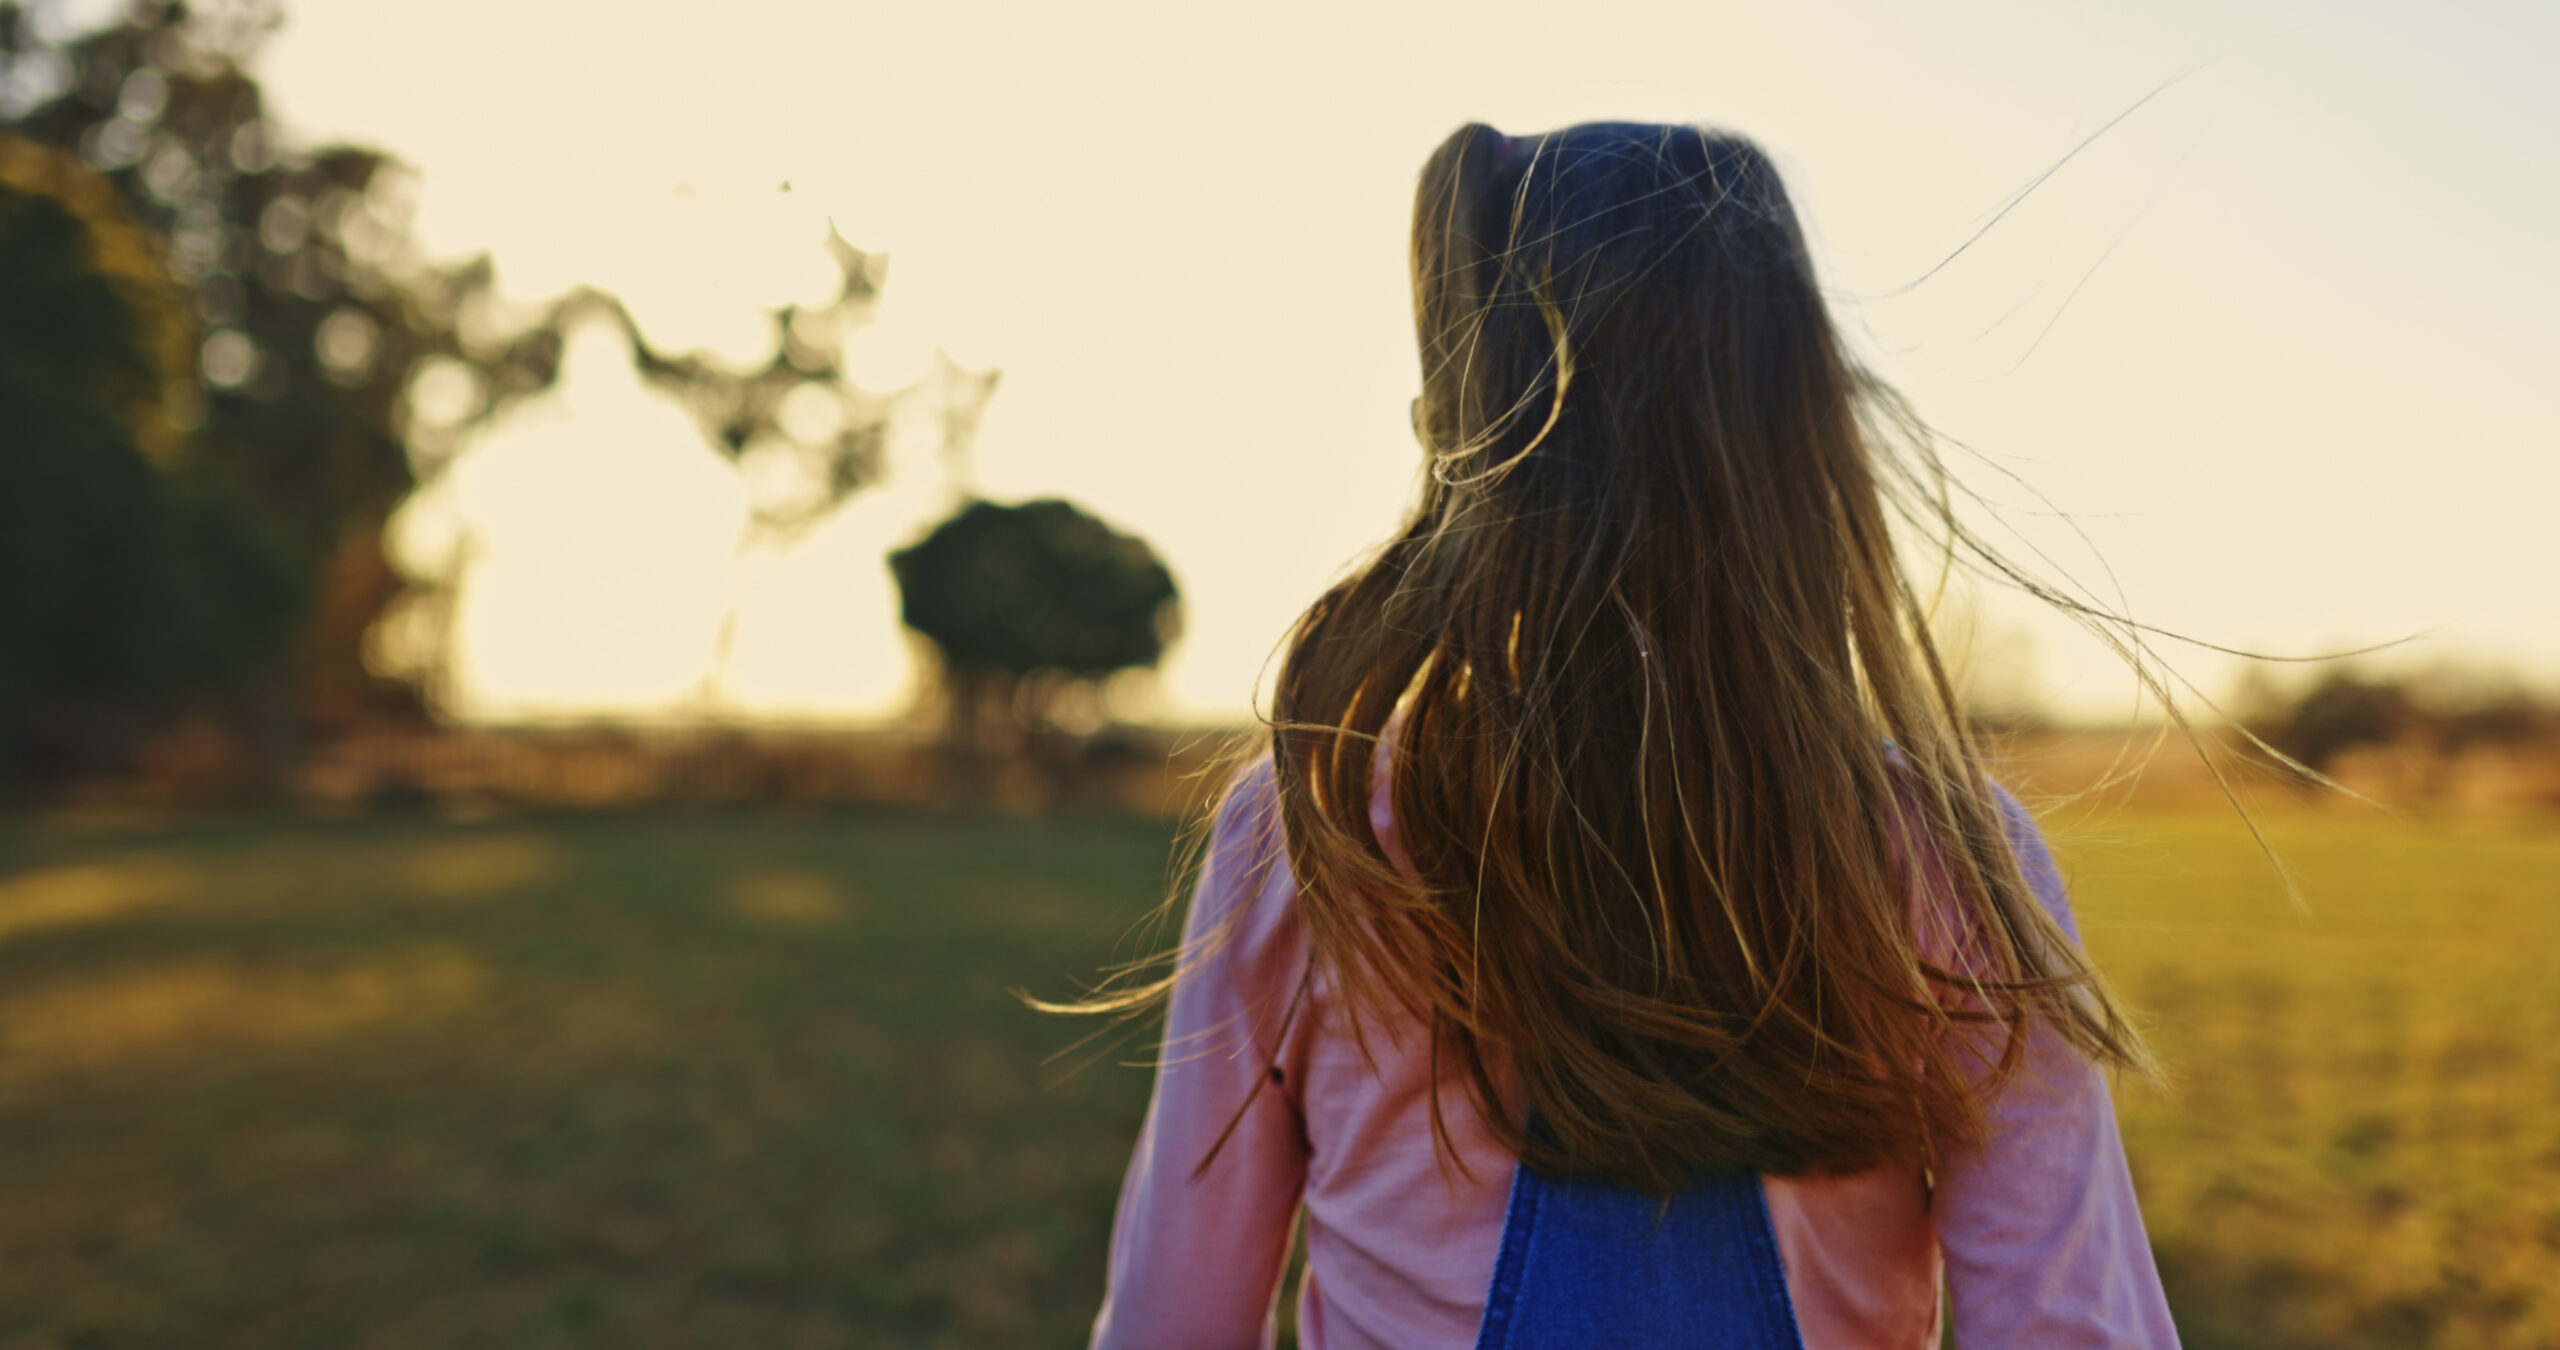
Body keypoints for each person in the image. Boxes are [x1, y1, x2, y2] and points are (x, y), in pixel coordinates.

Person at [1076, 122, 2181, 1349]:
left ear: (1456, 435)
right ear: (1800, 440)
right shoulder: (1942, 862)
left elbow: (1173, 1320)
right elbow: (2067, 1329)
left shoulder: (1317, 832)